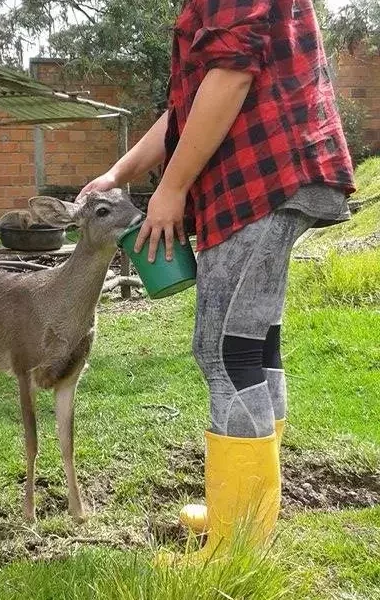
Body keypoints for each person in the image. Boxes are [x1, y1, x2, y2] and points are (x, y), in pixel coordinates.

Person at [78, 0, 355, 562]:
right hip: (271, 177)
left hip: (263, 178)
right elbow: (189, 104)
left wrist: (173, 188)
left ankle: (236, 546)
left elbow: (230, 78)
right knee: (254, 345)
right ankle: (250, 514)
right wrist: (118, 173)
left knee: (225, 352)